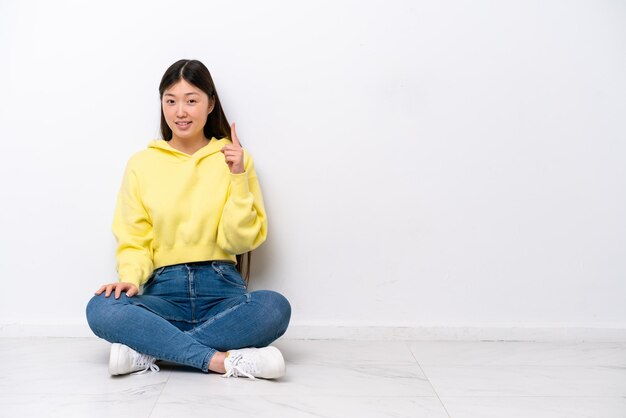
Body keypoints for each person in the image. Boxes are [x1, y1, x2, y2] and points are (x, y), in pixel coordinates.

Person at [86, 59, 291, 380]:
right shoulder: (142, 163)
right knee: (100, 308)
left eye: (191, 100)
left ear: (210, 104)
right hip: (162, 291)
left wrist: (237, 176)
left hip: (222, 290)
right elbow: (134, 238)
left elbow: (240, 242)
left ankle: (150, 350)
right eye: (171, 100)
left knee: (274, 307)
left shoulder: (234, 157)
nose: (180, 111)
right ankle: (223, 361)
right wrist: (130, 277)